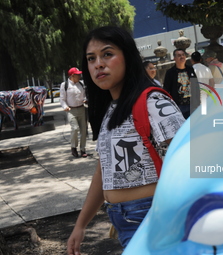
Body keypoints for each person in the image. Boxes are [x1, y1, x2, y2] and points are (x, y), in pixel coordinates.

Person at [66, 26, 185, 255]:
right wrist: (81, 225)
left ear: (128, 56)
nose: (98, 64)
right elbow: (103, 173)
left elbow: (190, 161)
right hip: (122, 220)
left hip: (153, 217)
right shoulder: (111, 109)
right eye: (91, 59)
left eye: (107, 54)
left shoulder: (154, 101)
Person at [163, 48, 200, 119]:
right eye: (179, 55)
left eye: (183, 55)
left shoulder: (190, 69)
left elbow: (196, 86)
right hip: (179, 106)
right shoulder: (170, 72)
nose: (182, 57)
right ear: (174, 58)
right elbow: (166, 90)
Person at [60, 67, 88, 158]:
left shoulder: (81, 84)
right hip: (71, 110)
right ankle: (73, 147)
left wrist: (85, 100)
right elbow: (62, 99)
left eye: (80, 74)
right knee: (75, 128)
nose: (80, 76)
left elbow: (85, 96)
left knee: (83, 130)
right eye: (78, 74)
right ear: (72, 75)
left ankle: (83, 149)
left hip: (81, 109)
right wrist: (65, 107)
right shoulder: (65, 85)